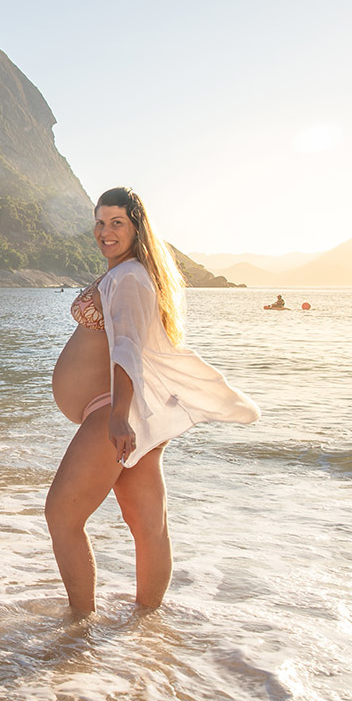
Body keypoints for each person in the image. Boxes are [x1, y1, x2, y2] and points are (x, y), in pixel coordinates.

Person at [47, 187, 259, 615]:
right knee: (147, 525)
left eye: (117, 222)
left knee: (62, 516)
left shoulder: (128, 277)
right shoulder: (130, 273)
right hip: (124, 409)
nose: (105, 231)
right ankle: (146, 632)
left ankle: (78, 629)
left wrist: (120, 417)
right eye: (100, 222)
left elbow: (126, 347)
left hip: (114, 409)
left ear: (136, 226)